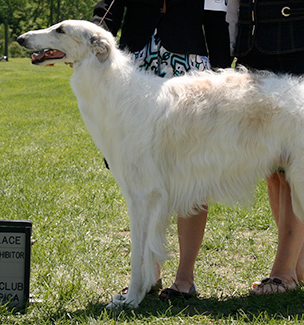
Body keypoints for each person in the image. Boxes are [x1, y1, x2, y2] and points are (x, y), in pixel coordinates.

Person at [92, 0, 231, 300]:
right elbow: (109, 7)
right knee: (141, 179)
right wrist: (95, 39)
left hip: (191, 70)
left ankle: (184, 278)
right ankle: (145, 274)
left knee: (194, 174)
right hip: (135, 63)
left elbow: (217, 19)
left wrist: (221, 77)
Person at [227, 0, 304, 294]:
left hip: (300, 60)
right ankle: (298, 268)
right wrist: (231, 51)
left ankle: (282, 273)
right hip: (253, 58)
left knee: (294, 170)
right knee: (272, 169)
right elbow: (234, 6)